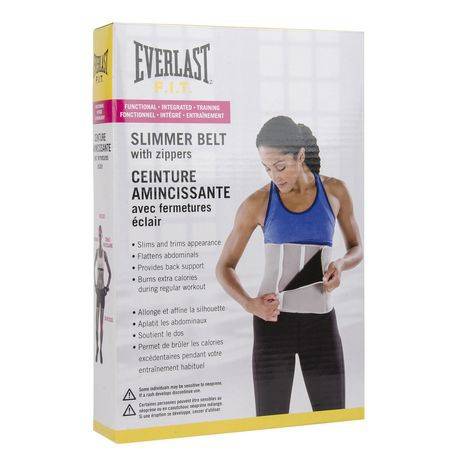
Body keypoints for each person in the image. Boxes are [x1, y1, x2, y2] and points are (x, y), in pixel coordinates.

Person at [215, 116, 363, 415]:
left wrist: (340, 265)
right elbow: (224, 266)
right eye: (267, 168)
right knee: (270, 420)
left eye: (280, 166)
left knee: (332, 416)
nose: (274, 176)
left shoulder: (335, 192)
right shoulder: (257, 203)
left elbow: (357, 248)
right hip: (272, 324)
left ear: (300, 155)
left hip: (321, 324)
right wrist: (249, 304)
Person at [94, 225, 111, 364]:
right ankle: (96, 349)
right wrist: (94, 285)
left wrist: (107, 287)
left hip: (102, 292)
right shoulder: (96, 253)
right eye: (98, 235)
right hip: (97, 290)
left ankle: (101, 351)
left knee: (101, 324)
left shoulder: (105, 254)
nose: (100, 237)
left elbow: (110, 273)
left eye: (101, 235)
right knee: (96, 323)